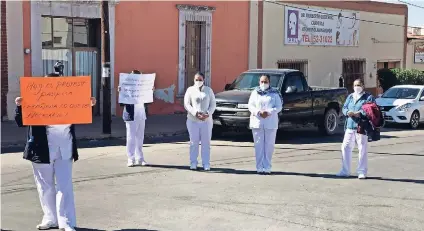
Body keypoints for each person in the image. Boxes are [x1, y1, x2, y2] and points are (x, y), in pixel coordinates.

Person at [15, 72, 96, 231]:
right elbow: (21, 122)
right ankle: (50, 218)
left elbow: (82, 116)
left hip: (65, 148)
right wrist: (19, 107)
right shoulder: (35, 100)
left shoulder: (71, 100)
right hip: (41, 148)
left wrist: (89, 105)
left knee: (64, 186)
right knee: (45, 186)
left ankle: (66, 221)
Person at [337, 79, 375, 179]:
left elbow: (371, 110)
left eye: (358, 85)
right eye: (355, 85)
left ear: (363, 85)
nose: (357, 87)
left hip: (361, 126)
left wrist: (360, 113)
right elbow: (344, 107)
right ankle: (345, 171)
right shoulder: (350, 96)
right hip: (350, 125)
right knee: (345, 147)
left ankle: (362, 171)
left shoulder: (368, 97)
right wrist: (347, 112)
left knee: (362, 149)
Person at [248, 74, 283, 175]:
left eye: (265, 81)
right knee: (258, 146)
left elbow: (279, 106)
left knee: (269, 146)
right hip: (257, 122)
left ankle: (267, 166)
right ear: (259, 82)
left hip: (270, 122)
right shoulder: (255, 93)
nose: (263, 84)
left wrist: (269, 111)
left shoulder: (275, 93)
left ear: (269, 82)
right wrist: (258, 112)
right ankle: (259, 167)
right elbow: (250, 105)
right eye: (262, 82)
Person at [118, 70, 153, 167]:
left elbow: (148, 102)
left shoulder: (143, 88)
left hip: (141, 115)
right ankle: (130, 158)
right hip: (130, 115)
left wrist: (150, 92)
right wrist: (121, 93)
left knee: (140, 137)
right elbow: (121, 103)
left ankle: (140, 158)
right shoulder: (127, 88)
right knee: (130, 137)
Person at [184, 72, 216, 171]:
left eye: (200, 79)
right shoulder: (190, 90)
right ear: (194, 80)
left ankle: (206, 163)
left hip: (206, 121)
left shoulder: (208, 90)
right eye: (196, 79)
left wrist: (208, 113)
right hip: (193, 120)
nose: (198, 81)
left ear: (204, 80)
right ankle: (193, 162)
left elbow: (213, 104)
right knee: (194, 142)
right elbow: (187, 104)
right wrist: (195, 113)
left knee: (206, 143)